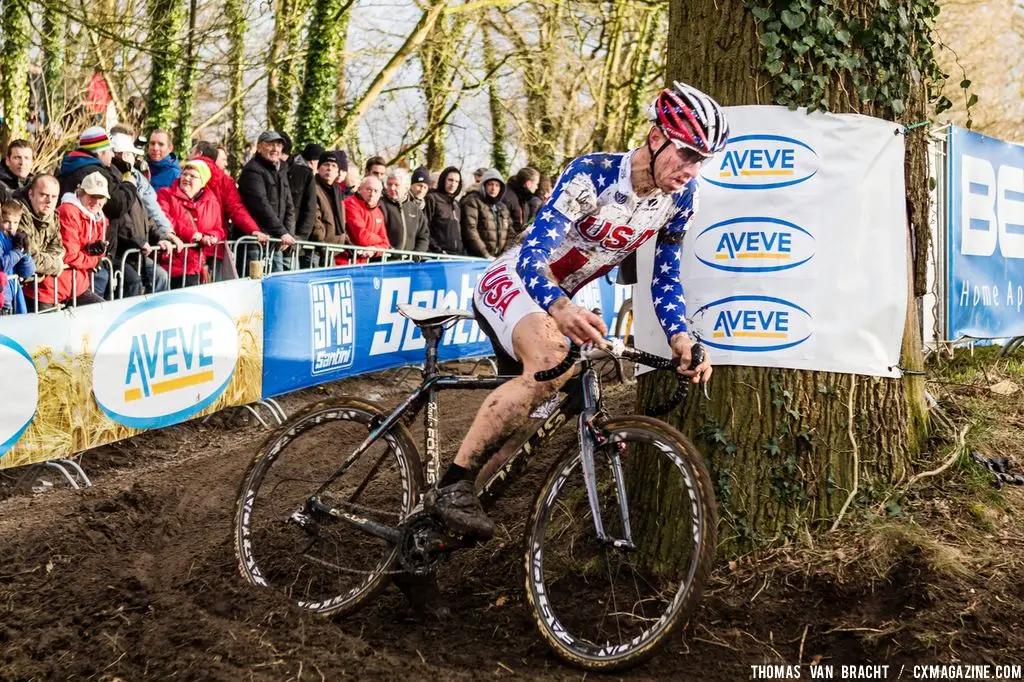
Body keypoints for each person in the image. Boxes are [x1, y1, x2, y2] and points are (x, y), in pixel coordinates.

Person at [425, 81, 726, 539]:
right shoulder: (594, 174)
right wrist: (560, 306)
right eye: (685, 153)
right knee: (555, 359)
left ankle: (428, 543)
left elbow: (665, 275)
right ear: (656, 136)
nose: (691, 168)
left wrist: (680, 337)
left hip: (556, 301)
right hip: (516, 280)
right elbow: (532, 257)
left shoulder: (681, 199)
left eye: (701, 159)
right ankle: (453, 485)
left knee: (525, 428)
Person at [109, 132, 177, 295]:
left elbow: (145, 215)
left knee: (160, 276)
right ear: (126, 155)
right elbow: (121, 219)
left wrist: (161, 237)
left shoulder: (132, 178)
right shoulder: (117, 179)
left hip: (136, 250)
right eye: (133, 155)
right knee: (133, 284)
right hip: (121, 251)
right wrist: (138, 242)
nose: (136, 159)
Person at [35, 171, 112, 309]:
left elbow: (101, 252)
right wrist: (93, 260)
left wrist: (93, 253)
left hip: (77, 287)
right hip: (50, 289)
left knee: (103, 311)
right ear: (81, 193)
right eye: (92, 196)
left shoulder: (100, 218)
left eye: (101, 197)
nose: (96, 201)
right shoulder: (68, 211)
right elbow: (70, 255)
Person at [188, 140, 268, 257]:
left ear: (198, 153)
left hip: (187, 243)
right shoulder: (225, 180)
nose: (188, 156)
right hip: (214, 244)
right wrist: (253, 229)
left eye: (191, 152)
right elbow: (236, 209)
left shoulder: (183, 175)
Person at [157, 159, 227, 287]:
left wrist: (211, 237)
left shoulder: (212, 201)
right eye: (184, 174)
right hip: (173, 264)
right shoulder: (166, 194)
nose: (186, 178)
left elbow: (218, 228)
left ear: (202, 182)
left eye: (192, 176)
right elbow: (165, 220)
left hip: (198, 267)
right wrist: (192, 234)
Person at [238, 131, 296, 273]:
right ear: (258, 148)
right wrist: (282, 232)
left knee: (278, 285)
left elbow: (289, 205)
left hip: (275, 242)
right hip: (255, 243)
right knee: (254, 286)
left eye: (278, 145)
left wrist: (288, 232)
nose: (275, 149)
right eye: (270, 144)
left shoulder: (282, 169)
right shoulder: (252, 171)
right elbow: (260, 204)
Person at [15, 175, 64, 309]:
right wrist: (56, 266)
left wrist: (41, 268)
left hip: (36, 285)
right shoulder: (18, 212)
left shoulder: (52, 215)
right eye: (44, 195)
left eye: (54, 197)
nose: (49, 201)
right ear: (31, 194)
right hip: (17, 289)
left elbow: (59, 250)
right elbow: (29, 258)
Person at [280, 132, 317, 261]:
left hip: (293, 241)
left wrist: (299, 237)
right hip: (272, 237)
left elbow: (310, 209)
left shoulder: (304, 174)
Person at [460, 168, 512, 258]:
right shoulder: (473, 201)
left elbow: (510, 233)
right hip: (477, 258)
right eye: (490, 184)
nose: (493, 188)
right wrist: (485, 254)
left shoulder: (502, 207)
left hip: (498, 259)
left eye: (497, 185)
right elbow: (470, 228)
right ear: (484, 185)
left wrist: (504, 256)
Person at [311, 151, 348, 267]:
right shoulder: (313, 187)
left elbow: (341, 221)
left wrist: (346, 241)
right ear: (318, 168)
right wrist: (321, 243)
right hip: (317, 251)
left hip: (332, 252)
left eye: (333, 166)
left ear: (338, 172)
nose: (329, 168)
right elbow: (314, 219)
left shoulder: (337, 191)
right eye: (326, 164)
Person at [342, 176, 390, 263]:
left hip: (363, 264)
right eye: (369, 189)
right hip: (344, 262)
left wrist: (374, 249)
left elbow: (386, 244)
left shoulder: (378, 212)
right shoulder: (350, 203)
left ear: (380, 194)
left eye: (376, 191)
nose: (372, 194)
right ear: (359, 189)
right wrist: (380, 239)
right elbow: (361, 237)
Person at [382, 167, 429, 253]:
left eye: (396, 185)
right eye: (389, 184)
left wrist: (416, 254)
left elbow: (423, 236)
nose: (392, 188)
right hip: (386, 260)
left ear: (406, 187)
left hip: (409, 262)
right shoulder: (380, 204)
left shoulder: (415, 209)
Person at [0, 200, 35, 314]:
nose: (11, 227)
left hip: (14, 295)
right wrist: (17, 252)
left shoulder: (15, 238)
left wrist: (25, 253)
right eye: (7, 222)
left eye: (15, 222)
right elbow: (2, 265)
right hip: (3, 299)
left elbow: (28, 272)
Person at [424, 166, 463, 255]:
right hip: (437, 256)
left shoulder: (456, 205)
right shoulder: (432, 199)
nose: (453, 184)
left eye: (456, 181)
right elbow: (424, 229)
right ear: (443, 180)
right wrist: (437, 250)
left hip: (456, 256)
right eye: (450, 180)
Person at [502, 166, 540, 235]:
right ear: (528, 183)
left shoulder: (523, 200)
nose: (537, 187)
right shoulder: (508, 197)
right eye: (536, 184)